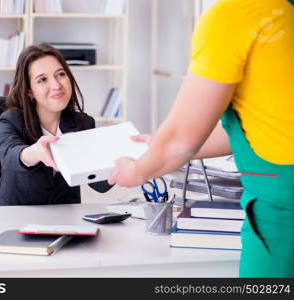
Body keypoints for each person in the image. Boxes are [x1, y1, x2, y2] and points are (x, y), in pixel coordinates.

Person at [108, 0, 294, 278]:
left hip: (282, 212)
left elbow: (181, 141)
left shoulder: (235, 16)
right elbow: (257, 126)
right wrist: (158, 147)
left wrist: (137, 170)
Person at [0, 43, 112, 206]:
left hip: (66, 220)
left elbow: (99, 184)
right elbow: (10, 155)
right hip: (16, 218)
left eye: (61, 74)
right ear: (29, 91)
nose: (56, 85)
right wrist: (35, 152)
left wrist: (118, 162)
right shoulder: (10, 120)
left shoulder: (83, 123)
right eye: (42, 79)